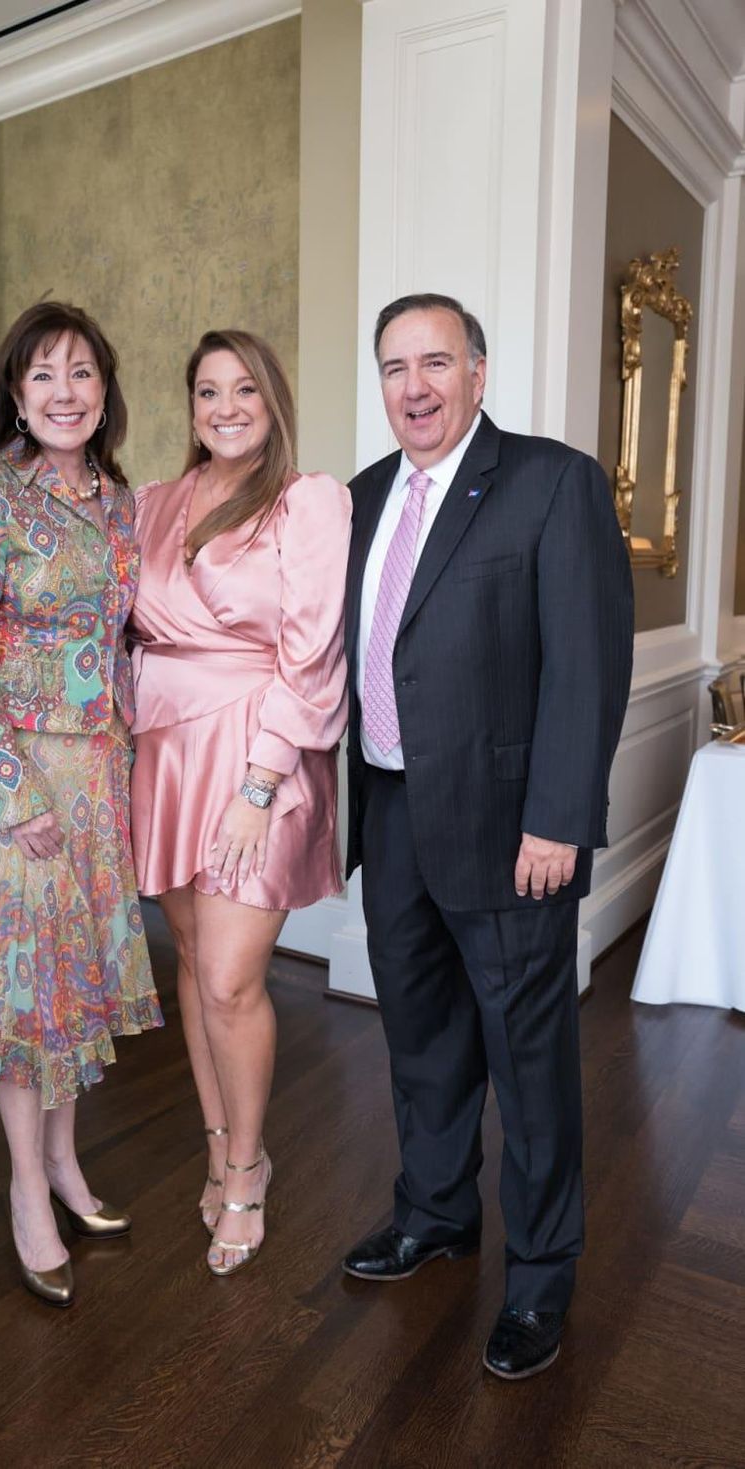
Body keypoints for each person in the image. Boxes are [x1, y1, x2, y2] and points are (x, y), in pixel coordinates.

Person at [341, 293, 633, 1378]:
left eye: (433, 362)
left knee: (527, 1057)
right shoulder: (364, 496)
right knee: (419, 1036)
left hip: (513, 826)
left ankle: (541, 1275)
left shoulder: (552, 483)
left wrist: (557, 816)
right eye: (391, 367)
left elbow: (585, 663)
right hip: (389, 808)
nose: (411, 386)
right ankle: (434, 1210)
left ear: (476, 371)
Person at [0, 301, 163, 1308]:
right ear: (15, 395)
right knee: (28, 993)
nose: (64, 392)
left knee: (74, 988)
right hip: (15, 779)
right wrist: (14, 789)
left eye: (81, 373)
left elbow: (122, 640)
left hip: (97, 774)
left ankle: (68, 1164)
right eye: (43, 376)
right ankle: (28, 1185)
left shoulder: (117, 499)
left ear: (104, 388)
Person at [129, 329, 351, 1275]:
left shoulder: (309, 502)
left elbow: (313, 655)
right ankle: (216, 1142)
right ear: (190, 407)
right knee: (189, 963)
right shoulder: (148, 503)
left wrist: (260, 784)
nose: (225, 408)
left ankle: (251, 1166)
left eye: (245, 391)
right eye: (208, 392)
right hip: (164, 752)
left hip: (254, 757)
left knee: (229, 978)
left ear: (274, 403)